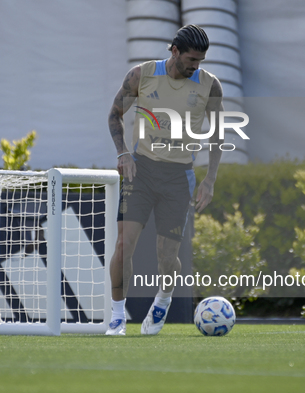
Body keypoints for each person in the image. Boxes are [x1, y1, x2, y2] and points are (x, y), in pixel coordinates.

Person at [106, 25, 224, 335]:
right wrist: (123, 154)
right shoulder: (141, 75)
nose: (195, 65)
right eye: (191, 59)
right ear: (174, 51)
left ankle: (163, 298)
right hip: (141, 171)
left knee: (167, 257)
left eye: (200, 60)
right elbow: (114, 115)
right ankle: (118, 316)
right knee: (124, 245)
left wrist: (209, 179)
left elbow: (218, 134)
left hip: (178, 177)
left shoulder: (210, 86)